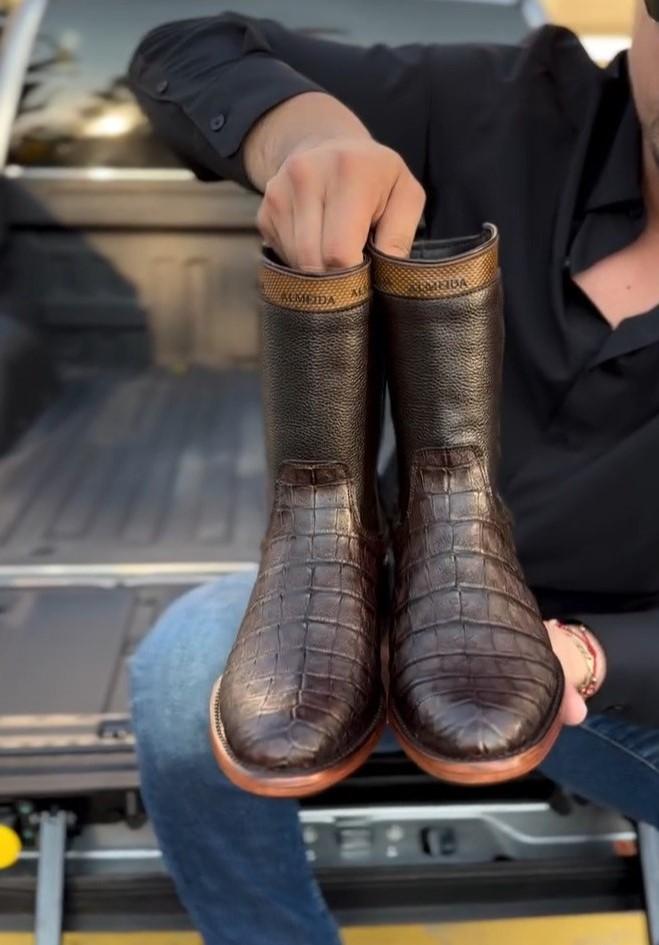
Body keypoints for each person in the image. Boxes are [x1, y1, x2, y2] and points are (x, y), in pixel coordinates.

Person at [127, 3, 659, 942]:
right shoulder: (510, 106)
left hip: (623, 668)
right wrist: (310, 134)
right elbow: (186, 48)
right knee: (180, 675)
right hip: (385, 590)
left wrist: (586, 651)